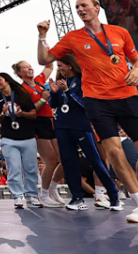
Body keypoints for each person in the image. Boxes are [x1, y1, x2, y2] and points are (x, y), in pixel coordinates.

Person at [36, 0, 138, 224]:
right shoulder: (73, 38)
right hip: (97, 100)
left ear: (96, 8)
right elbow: (44, 58)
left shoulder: (120, 32)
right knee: (114, 152)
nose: (80, 9)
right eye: (77, 7)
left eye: (84, 5)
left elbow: (137, 60)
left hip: (127, 97)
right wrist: (42, 36)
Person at [49, 54, 121, 211]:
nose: (58, 68)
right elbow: (54, 105)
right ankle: (77, 198)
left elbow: (85, 104)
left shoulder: (84, 81)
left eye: (61, 65)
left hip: (81, 125)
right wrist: (54, 93)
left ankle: (114, 197)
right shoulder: (62, 83)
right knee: (69, 163)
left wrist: (68, 92)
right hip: (62, 126)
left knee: (96, 161)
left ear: (70, 65)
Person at [14, 56, 63, 208]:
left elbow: (49, 65)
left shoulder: (40, 80)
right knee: (51, 160)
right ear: (19, 73)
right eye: (25, 67)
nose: (29, 68)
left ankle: (52, 188)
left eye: (30, 65)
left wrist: (43, 38)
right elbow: (30, 111)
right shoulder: (22, 90)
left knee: (65, 158)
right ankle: (44, 194)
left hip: (51, 120)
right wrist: (42, 99)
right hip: (38, 123)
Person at [0, 72, 39, 208]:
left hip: (27, 137)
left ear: (7, 81)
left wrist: (21, 113)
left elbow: (33, 114)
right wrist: (3, 113)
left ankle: (32, 195)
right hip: (9, 138)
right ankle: (18, 196)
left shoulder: (22, 95)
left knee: (31, 168)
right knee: (14, 168)